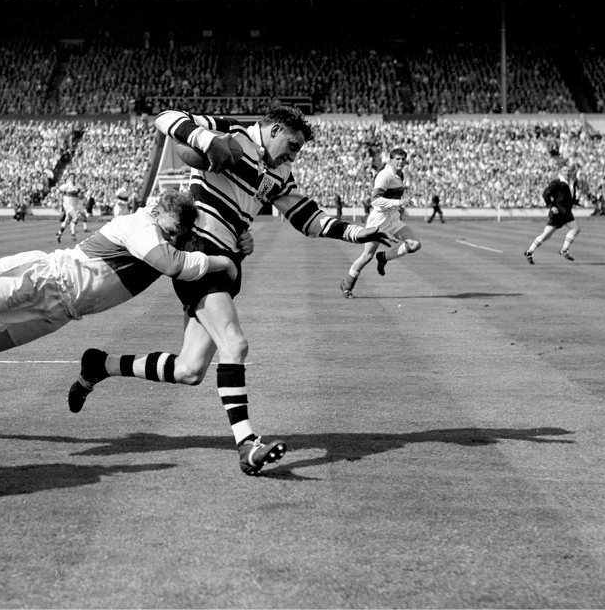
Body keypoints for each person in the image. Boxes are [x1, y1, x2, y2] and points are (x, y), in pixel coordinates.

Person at [67, 105, 398, 476]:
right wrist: (207, 140)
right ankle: (247, 445)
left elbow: (307, 218)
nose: (294, 153)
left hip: (229, 262)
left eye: (299, 149)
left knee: (189, 369)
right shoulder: (231, 132)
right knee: (235, 343)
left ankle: (100, 364)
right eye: (292, 144)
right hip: (200, 254)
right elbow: (166, 118)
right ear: (272, 130)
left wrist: (358, 233)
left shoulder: (280, 173)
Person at [0, 190, 238, 396]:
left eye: (176, 235)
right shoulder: (140, 224)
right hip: (39, 279)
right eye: (171, 229)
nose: (172, 238)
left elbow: (181, 252)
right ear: (157, 210)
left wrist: (238, 244)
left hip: (58, 311)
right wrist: (223, 263)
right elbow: (175, 265)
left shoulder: (160, 236)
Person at [340, 148, 422, 298]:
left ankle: (384, 257)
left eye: (403, 159)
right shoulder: (384, 175)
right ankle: (347, 285)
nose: (400, 161)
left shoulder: (401, 174)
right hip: (378, 219)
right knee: (367, 256)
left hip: (393, 218)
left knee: (415, 244)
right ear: (390, 160)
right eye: (397, 158)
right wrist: (399, 202)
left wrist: (401, 206)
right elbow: (375, 199)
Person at [524, 165, 580, 264]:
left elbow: (567, 196)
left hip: (562, 211)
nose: (567, 172)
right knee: (575, 228)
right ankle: (564, 250)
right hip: (561, 211)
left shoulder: (572, 182)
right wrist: (551, 206)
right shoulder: (557, 183)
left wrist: (574, 201)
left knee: (546, 235)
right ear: (561, 172)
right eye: (565, 170)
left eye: (568, 171)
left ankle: (530, 251)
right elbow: (546, 194)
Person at [55, 179, 86, 244]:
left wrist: (81, 194)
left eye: (74, 177)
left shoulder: (78, 186)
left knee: (67, 221)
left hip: (74, 205)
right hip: (68, 205)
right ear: (69, 178)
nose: (72, 178)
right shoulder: (66, 185)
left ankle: (59, 233)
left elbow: (81, 196)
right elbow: (58, 190)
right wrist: (59, 200)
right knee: (76, 217)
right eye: (71, 177)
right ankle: (72, 232)